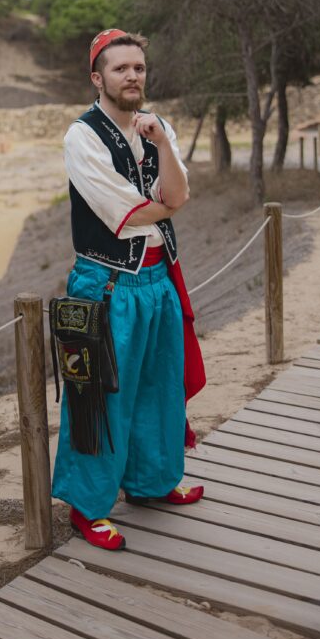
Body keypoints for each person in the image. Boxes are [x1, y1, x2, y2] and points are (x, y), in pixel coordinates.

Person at [51, 28, 206, 551]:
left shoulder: (158, 127)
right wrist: (167, 203)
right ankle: (87, 507)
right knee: (99, 398)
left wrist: (162, 145)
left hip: (159, 279)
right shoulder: (83, 136)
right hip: (107, 286)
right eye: (121, 69)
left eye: (138, 67)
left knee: (159, 388)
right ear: (98, 77)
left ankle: (152, 482)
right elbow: (129, 213)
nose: (132, 76)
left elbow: (179, 191)